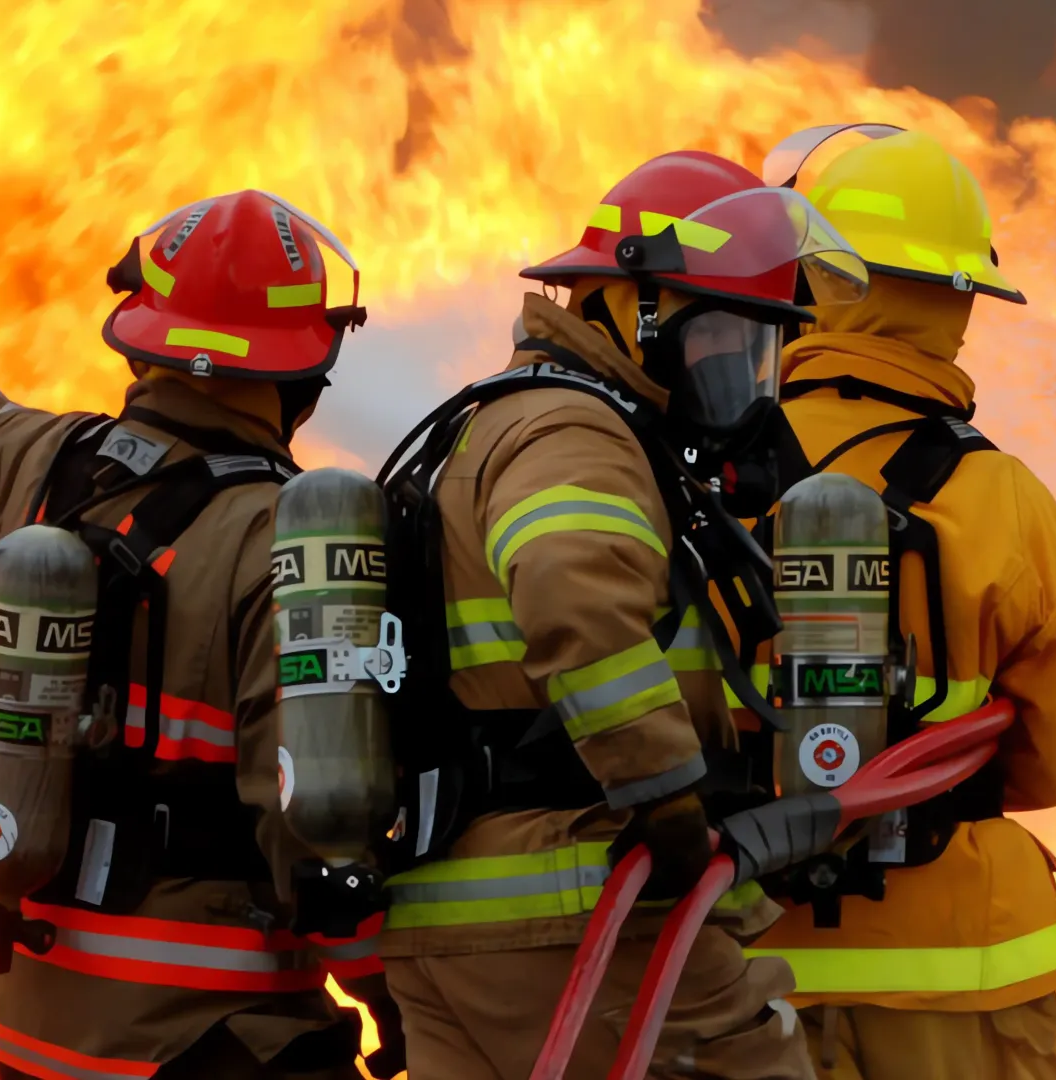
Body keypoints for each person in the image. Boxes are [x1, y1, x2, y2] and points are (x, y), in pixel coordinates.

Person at [0, 143, 403, 1080]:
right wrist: (396, 993)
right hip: (211, 1032)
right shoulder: (288, 542)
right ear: (305, 370)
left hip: (28, 1029)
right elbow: (310, 830)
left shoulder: (38, 463)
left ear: (142, 333)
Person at [370, 149, 870, 1080]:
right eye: (720, 342)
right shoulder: (574, 430)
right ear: (633, 313)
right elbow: (573, 593)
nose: (737, 382)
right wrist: (668, 799)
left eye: (755, 355)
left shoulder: (501, 420)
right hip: (576, 899)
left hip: (464, 914)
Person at [743, 125, 1056, 1080]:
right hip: (969, 969)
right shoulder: (1004, 499)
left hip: (747, 965)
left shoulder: (705, 478)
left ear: (809, 277)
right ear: (959, 301)